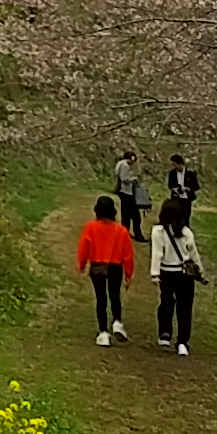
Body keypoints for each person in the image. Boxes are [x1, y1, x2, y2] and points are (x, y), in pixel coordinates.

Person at [75, 194, 135, 348]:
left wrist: (81, 265)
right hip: (115, 266)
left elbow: (84, 247)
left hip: (97, 265)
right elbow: (127, 254)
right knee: (115, 295)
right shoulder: (121, 230)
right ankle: (117, 322)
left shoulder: (91, 227)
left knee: (101, 299)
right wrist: (128, 274)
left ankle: (103, 333)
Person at [151, 196, 204, 356]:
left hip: (167, 272)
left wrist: (154, 273)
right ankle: (183, 342)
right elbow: (193, 255)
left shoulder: (158, 232)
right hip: (185, 275)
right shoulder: (186, 232)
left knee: (166, 302)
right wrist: (200, 272)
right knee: (185, 307)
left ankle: (165, 333)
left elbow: (157, 254)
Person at [114, 148, 147, 242]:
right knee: (135, 215)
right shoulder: (125, 166)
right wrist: (133, 179)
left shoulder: (119, 164)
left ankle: (125, 233)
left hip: (122, 191)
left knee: (125, 214)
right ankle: (138, 234)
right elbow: (124, 178)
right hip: (127, 192)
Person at [167, 154, 201, 227]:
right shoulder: (172, 173)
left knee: (186, 218)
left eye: (174, 164)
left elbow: (196, 186)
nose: (174, 167)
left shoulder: (190, 173)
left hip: (186, 199)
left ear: (180, 164)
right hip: (176, 199)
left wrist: (186, 188)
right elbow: (170, 185)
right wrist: (175, 189)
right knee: (175, 217)